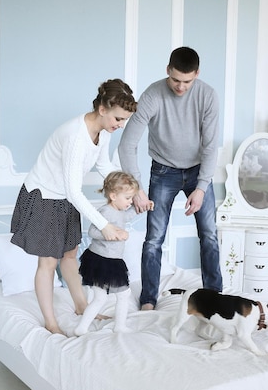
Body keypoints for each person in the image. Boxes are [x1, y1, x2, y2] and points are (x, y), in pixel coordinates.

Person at [11, 79, 138, 334]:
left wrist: (131, 191)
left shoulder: (102, 133)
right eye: (118, 118)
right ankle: (51, 322)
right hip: (44, 196)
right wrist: (104, 225)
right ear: (103, 109)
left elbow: (104, 167)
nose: (121, 125)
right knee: (47, 263)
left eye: (124, 120)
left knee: (70, 255)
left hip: (66, 199)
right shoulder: (74, 136)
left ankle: (81, 304)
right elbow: (73, 190)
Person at [118, 47, 223, 310]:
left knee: (209, 234)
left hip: (198, 170)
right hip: (163, 171)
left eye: (187, 81)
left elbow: (211, 147)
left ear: (197, 74)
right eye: (176, 79)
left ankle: (214, 297)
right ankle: (149, 299)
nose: (180, 86)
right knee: (154, 237)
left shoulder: (208, 96)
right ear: (168, 70)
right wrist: (138, 188)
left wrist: (201, 188)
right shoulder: (152, 95)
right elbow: (126, 145)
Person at [74, 171, 144, 336]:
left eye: (131, 198)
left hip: (109, 260)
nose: (130, 202)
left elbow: (125, 216)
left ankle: (84, 328)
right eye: (127, 198)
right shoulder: (105, 211)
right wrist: (113, 235)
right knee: (121, 294)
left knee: (104, 297)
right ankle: (114, 326)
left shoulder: (119, 211)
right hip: (103, 261)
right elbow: (92, 231)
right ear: (113, 196)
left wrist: (141, 208)